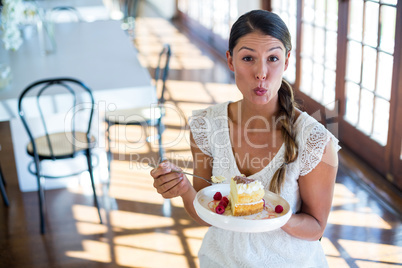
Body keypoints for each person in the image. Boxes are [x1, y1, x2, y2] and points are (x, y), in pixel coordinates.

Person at [150, 9, 340, 267]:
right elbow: (208, 214)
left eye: (272, 58)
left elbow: (315, 227)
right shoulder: (207, 125)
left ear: (286, 62)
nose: (261, 73)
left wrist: (270, 213)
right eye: (248, 58)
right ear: (230, 61)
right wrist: (184, 190)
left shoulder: (316, 142)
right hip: (219, 260)